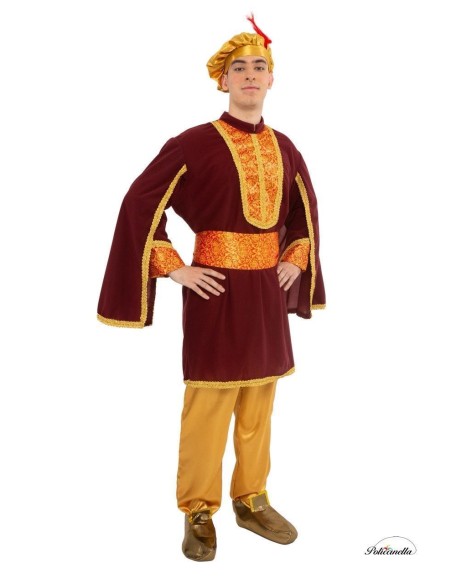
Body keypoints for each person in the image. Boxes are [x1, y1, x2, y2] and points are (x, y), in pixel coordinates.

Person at [97, 15, 326, 562]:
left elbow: (304, 213)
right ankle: (198, 509)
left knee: (260, 399)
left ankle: (252, 498)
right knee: (209, 403)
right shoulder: (192, 143)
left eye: (259, 67)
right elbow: (139, 203)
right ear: (222, 80)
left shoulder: (286, 147)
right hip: (215, 292)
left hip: (265, 293)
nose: (250, 75)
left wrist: (295, 258)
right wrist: (174, 266)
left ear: (272, 80)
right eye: (238, 68)